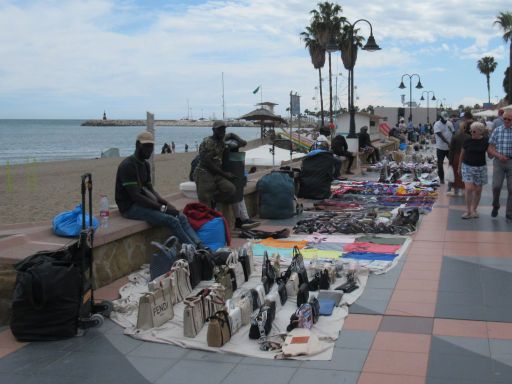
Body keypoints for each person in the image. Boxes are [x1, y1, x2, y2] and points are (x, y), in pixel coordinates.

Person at [115, 131, 204, 247]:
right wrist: (162, 208)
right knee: (172, 221)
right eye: (146, 146)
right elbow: (136, 197)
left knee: (181, 216)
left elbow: (150, 190)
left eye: (151, 146)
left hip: (143, 203)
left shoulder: (145, 165)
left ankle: (201, 246)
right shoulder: (128, 166)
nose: (149, 149)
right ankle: (194, 250)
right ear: (137, 145)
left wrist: (167, 204)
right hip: (129, 207)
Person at [194, 120, 259, 229]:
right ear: (213, 130)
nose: (222, 131)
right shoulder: (208, 142)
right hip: (204, 173)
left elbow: (236, 137)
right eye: (219, 129)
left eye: (223, 129)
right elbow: (207, 162)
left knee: (231, 189)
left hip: (216, 173)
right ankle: (208, 228)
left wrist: (239, 139)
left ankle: (215, 199)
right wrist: (224, 174)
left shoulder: (222, 140)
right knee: (205, 205)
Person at [458, 122, 489, 219]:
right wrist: (459, 167)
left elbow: (490, 153)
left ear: (480, 132)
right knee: (469, 188)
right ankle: (468, 211)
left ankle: (474, 209)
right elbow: (462, 154)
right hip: (467, 167)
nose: (472, 132)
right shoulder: (467, 141)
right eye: (471, 131)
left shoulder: (485, 141)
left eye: (474, 131)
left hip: (480, 168)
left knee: (478, 190)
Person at [487, 109, 512, 220]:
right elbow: (490, 148)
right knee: (496, 186)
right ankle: (496, 205)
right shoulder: (497, 130)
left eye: (509, 119)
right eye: (504, 118)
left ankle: (509, 212)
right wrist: (498, 155)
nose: (506, 121)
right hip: (499, 161)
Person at [447, 122, 470, 196]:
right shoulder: (469, 137)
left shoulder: (455, 137)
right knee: (465, 174)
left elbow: (451, 150)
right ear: (465, 128)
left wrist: (450, 161)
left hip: (456, 157)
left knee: (455, 174)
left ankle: (455, 190)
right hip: (466, 157)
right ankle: (464, 190)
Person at [433, 111, 455, 184]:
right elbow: (440, 135)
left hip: (449, 148)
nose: (445, 120)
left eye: (446, 119)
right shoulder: (437, 124)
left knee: (452, 162)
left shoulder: (450, 123)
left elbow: (453, 133)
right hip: (440, 148)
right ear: (440, 117)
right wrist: (448, 143)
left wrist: (452, 142)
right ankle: (442, 179)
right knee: (440, 164)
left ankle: (452, 178)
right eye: (444, 118)